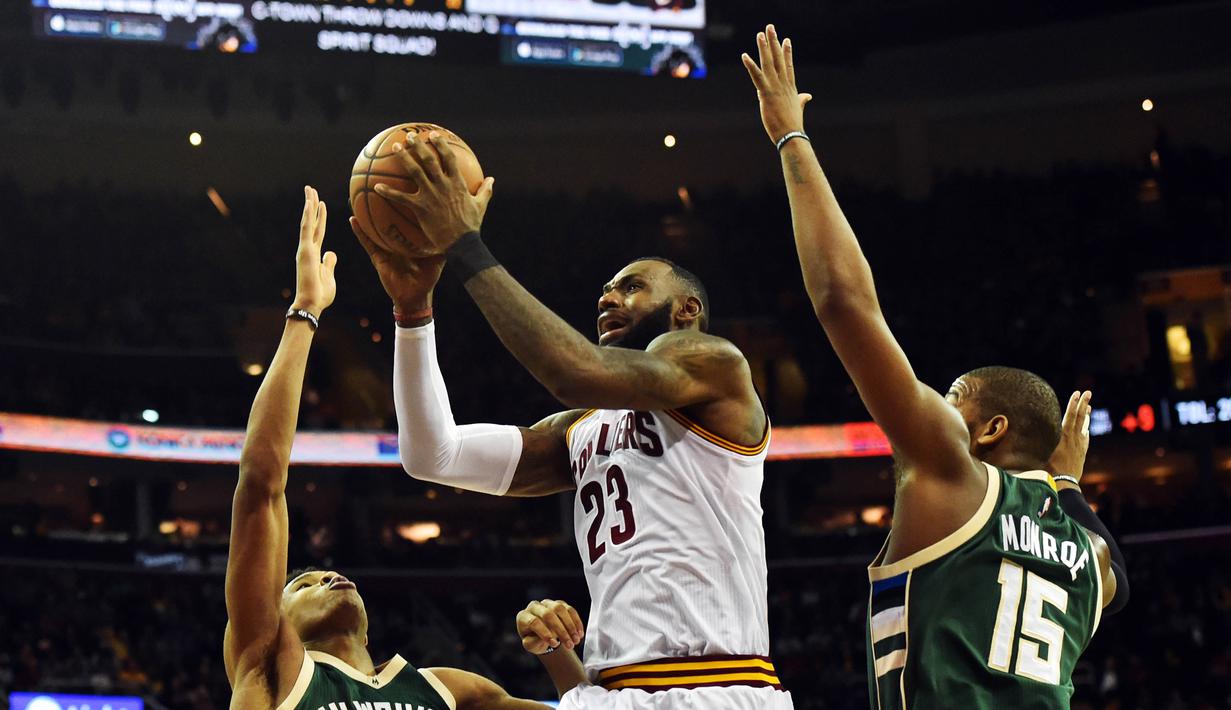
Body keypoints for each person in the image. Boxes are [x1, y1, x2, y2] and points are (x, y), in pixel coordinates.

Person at [742, 25, 1130, 709]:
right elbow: (1115, 566)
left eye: (954, 399)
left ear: (987, 430)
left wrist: (788, 137)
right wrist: (1065, 483)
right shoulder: (1090, 566)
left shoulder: (951, 468)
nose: (938, 408)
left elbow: (843, 302)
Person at [350, 137, 793, 709]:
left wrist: (464, 245)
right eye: (607, 288)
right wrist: (413, 315)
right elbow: (431, 456)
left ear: (688, 310)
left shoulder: (714, 366)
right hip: (607, 690)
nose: (609, 296)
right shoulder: (579, 428)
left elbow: (576, 371)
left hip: (715, 685)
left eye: (632, 286)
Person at [223, 187, 588, 710]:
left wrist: (555, 650)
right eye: (301, 584)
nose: (327, 574)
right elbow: (260, 486)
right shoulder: (268, 665)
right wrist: (305, 313)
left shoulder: (453, 691)